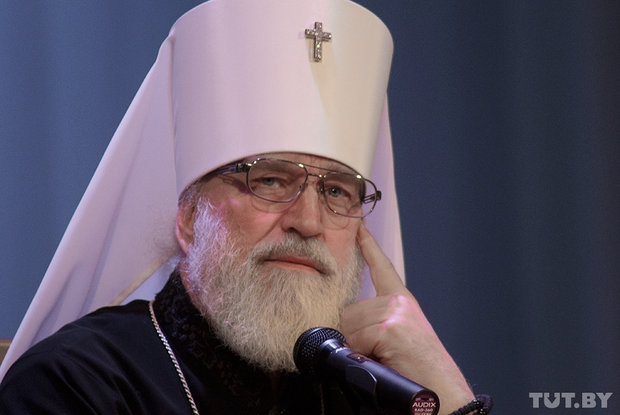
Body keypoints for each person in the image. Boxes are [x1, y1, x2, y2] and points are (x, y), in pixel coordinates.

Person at [0, 0, 490, 413]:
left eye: (337, 191)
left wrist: (448, 393)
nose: (309, 222)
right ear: (189, 220)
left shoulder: (371, 394)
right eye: (271, 180)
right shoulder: (75, 384)